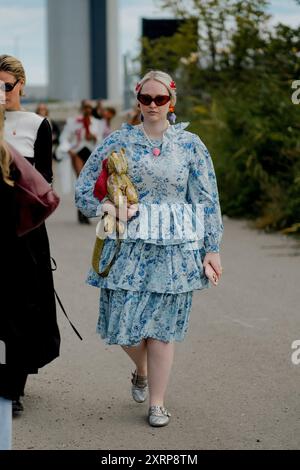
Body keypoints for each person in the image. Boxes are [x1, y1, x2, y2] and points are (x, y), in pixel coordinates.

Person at [75, 70, 223, 427]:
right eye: (146, 99)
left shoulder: (191, 145)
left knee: (162, 329)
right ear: (137, 100)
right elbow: (83, 190)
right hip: (126, 245)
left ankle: (157, 403)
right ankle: (140, 368)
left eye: (160, 99)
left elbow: (206, 200)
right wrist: (106, 208)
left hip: (176, 248)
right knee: (122, 327)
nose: (153, 105)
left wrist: (211, 248)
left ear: (172, 101)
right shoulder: (117, 142)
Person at [0, 55, 60, 418]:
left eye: (7, 85)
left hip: (23, 231)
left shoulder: (37, 124)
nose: (2, 93)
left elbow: (46, 180)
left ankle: (14, 385)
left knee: (22, 307)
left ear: (21, 84)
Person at [57, 99, 104, 224]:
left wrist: (95, 137)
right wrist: (69, 150)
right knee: (81, 181)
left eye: (90, 107)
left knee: (89, 183)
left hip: (90, 152)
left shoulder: (96, 123)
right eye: (86, 107)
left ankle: (84, 211)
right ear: (82, 108)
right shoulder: (73, 122)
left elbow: (101, 140)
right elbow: (64, 137)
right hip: (77, 152)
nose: (88, 109)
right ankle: (81, 212)